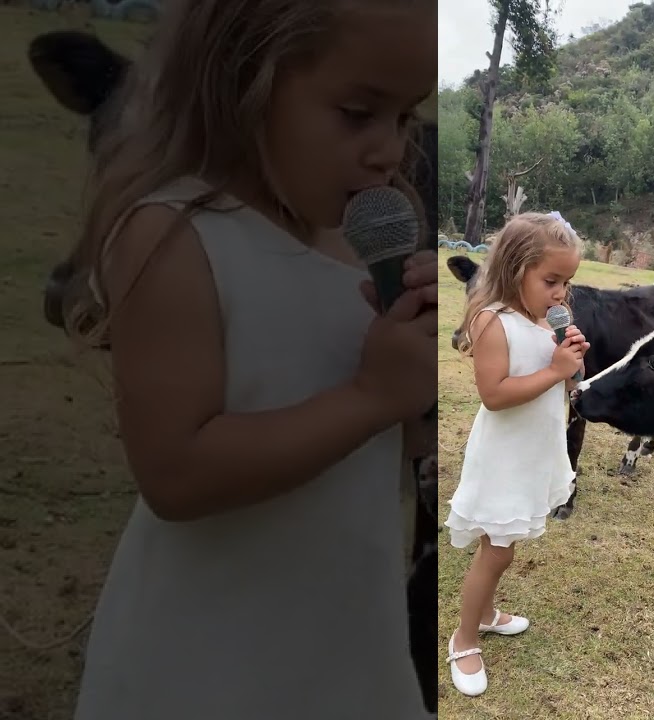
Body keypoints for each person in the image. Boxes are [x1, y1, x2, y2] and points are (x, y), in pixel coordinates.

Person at [57, 1, 437, 718]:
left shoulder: (359, 242)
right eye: (359, 112)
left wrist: (416, 396)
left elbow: (381, 445)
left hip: (346, 642)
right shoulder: (174, 238)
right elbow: (175, 471)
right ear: (244, 83)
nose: (389, 149)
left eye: (405, 118)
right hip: (210, 661)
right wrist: (370, 397)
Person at [444, 211, 590, 697]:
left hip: (532, 453)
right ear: (514, 268)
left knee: (503, 548)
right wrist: (553, 371)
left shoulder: (542, 323)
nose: (561, 293)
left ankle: (485, 615)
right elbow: (495, 394)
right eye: (551, 280)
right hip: (503, 457)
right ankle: (464, 637)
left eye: (567, 282)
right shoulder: (492, 321)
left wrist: (570, 363)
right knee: (497, 551)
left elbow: (566, 387)